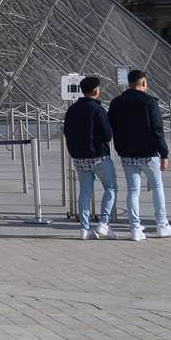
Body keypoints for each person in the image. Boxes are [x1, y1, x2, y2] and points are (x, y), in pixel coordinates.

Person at [108, 69, 171, 240]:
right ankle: (162, 225)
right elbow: (157, 129)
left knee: (133, 190)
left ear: (129, 83)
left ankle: (135, 229)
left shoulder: (116, 102)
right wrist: (164, 153)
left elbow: (111, 127)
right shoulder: (149, 102)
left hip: (127, 153)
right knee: (157, 187)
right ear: (144, 83)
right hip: (149, 153)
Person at [62, 76, 118, 240]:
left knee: (85, 191)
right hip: (99, 156)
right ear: (96, 91)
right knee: (111, 187)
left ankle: (84, 229)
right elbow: (107, 134)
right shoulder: (98, 109)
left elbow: (67, 132)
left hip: (79, 157)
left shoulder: (72, 110)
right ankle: (103, 224)